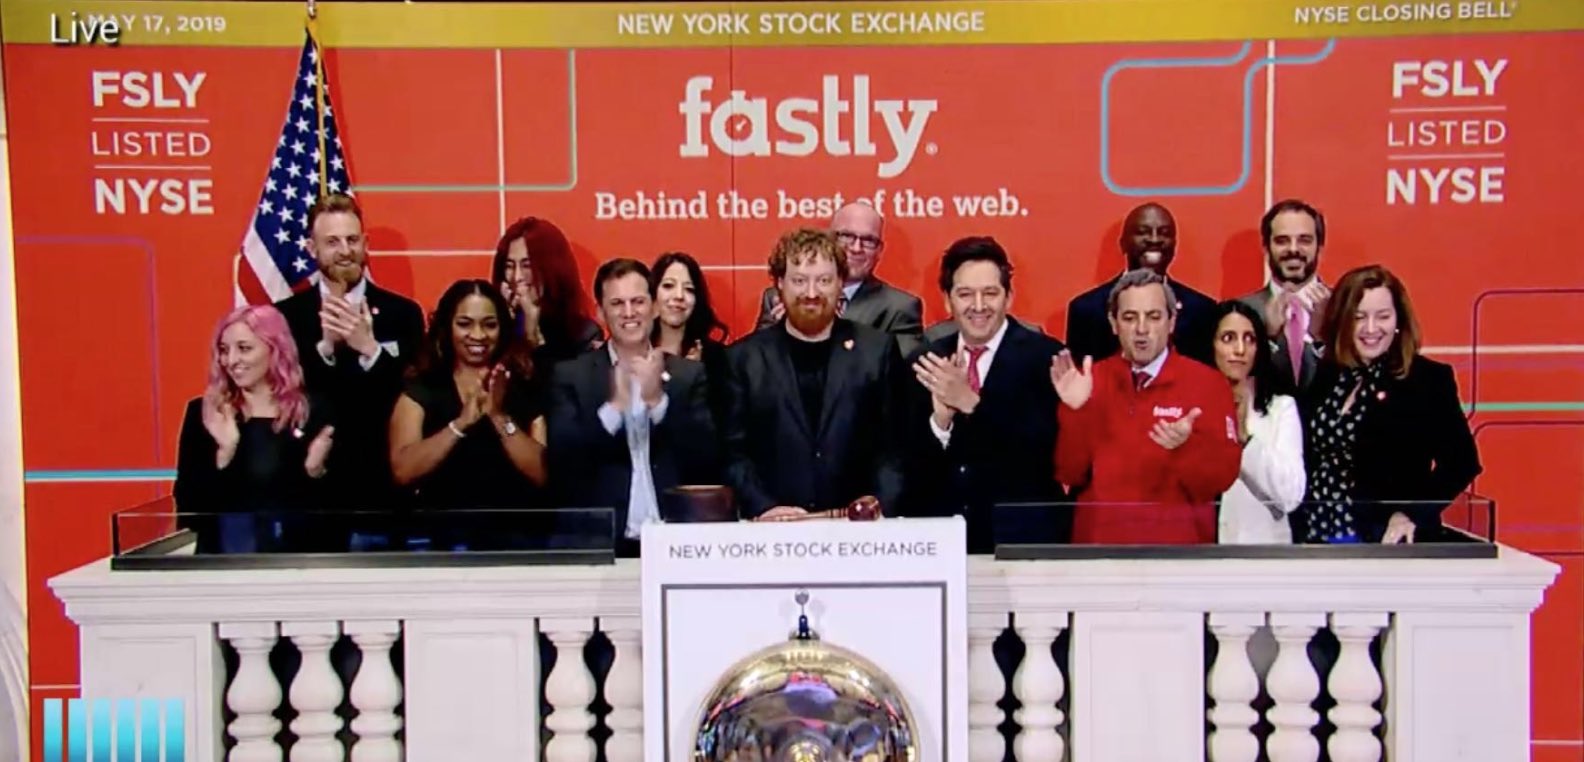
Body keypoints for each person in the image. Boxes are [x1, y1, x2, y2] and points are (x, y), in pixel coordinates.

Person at [725, 228, 907, 520]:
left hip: (859, 530)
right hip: (772, 529)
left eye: (824, 280)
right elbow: (732, 453)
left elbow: (895, 447)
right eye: (799, 281)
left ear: (840, 284)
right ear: (780, 283)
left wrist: (879, 505)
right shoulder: (743, 359)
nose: (811, 293)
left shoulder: (877, 351)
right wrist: (764, 507)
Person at [1051, 268, 1240, 544]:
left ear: (1171, 322)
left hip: (1177, 554)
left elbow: (1221, 480)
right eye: (1130, 318)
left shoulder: (1208, 383)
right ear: (1113, 323)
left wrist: (1185, 448)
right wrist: (1076, 411)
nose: (1142, 329)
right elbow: (1069, 472)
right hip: (1100, 552)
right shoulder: (1090, 381)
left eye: (1153, 317)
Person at [1296, 265, 1481, 544]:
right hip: (1316, 535)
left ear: (1398, 321)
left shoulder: (1426, 380)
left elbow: (1462, 463)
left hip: (1385, 541)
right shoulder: (1331, 374)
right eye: (1359, 317)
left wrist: (1411, 514)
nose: (1371, 328)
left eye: (1382, 316)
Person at [549, 259, 718, 555]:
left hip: (675, 544)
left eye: (638, 301)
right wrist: (614, 409)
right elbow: (563, 462)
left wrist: (657, 403)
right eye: (617, 303)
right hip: (600, 545)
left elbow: (706, 459)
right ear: (600, 312)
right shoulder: (572, 376)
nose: (629, 313)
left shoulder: (687, 375)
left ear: (654, 307)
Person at [908, 237, 1067, 551]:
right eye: (965, 294)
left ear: (1009, 297)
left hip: (1023, 541)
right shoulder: (926, 362)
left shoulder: (1047, 359)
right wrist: (941, 423)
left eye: (990, 293)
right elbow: (906, 462)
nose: (978, 306)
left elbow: (1042, 454)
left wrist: (971, 403)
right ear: (947, 300)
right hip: (945, 543)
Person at [273, 194, 424, 511]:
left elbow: (413, 394)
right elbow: (283, 396)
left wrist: (370, 349)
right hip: (308, 494)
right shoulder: (284, 318)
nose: (345, 251)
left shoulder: (403, 314)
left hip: (382, 490)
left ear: (365, 244)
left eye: (352, 240)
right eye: (332, 242)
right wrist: (325, 349)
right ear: (312, 249)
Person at [175, 306, 335, 553]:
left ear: (275, 350)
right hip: (223, 560)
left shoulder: (312, 413)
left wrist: (316, 472)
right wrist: (225, 454)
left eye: (244, 348)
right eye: (224, 350)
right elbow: (189, 511)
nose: (231, 361)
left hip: (296, 561)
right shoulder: (206, 413)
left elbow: (333, 516)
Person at [389, 280, 550, 519]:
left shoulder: (524, 383)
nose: (478, 335)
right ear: (447, 326)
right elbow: (403, 471)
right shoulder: (424, 386)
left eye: (489, 325)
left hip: (516, 531)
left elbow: (543, 474)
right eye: (464, 324)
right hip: (441, 531)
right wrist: (460, 424)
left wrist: (498, 416)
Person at [753, 202, 924, 356]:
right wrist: (788, 328)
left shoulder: (899, 308)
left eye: (868, 240)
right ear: (829, 239)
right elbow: (756, 361)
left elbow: (901, 371)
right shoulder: (778, 297)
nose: (856, 248)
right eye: (847, 236)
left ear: (879, 250)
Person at [1065, 202, 1217, 366]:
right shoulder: (1087, 309)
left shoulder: (1201, 310)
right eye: (1143, 232)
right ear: (1123, 243)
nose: (1154, 239)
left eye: (1164, 233)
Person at [1208, 300, 1306, 544]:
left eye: (1249, 339)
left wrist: (1246, 440)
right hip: (1202, 552)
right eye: (1228, 338)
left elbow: (1291, 495)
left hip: (1263, 554)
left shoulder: (1280, 409)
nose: (1240, 349)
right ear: (1211, 345)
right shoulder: (1191, 407)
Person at [1237, 199, 1330, 392]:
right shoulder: (1241, 312)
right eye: (1282, 241)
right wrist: (1268, 338)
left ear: (1319, 247)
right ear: (1266, 248)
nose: (1293, 249)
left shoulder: (1344, 307)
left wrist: (1322, 337)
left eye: (1304, 240)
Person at [491, 216, 603, 366]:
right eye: (509, 266)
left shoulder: (583, 334)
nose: (517, 277)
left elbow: (564, 380)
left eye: (527, 265)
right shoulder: (495, 327)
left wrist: (534, 336)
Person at [650, 251, 732, 427]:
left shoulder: (716, 358)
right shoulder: (637, 353)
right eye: (668, 286)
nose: (679, 296)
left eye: (689, 289)